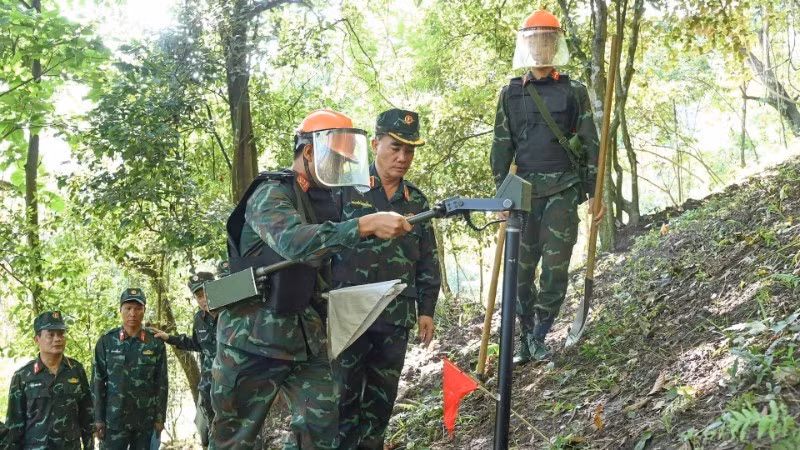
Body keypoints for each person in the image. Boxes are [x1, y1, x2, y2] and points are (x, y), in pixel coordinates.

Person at [212, 109, 413, 450]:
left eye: (344, 162)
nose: (340, 168)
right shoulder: (270, 193)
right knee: (235, 439)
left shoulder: (322, 201)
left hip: (304, 337)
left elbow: (322, 270)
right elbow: (295, 242)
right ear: (309, 152)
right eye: (335, 159)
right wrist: (365, 224)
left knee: (320, 428)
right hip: (251, 337)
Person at [490, 10, 606, 365]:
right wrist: (501, 198)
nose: (540, 47)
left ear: (555, 45)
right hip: (523, 195)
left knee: (556, 268)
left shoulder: (574, 91)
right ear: (526, 45)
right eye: (535, 40)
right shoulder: (510, 93)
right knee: (520, 272)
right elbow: (501, 147)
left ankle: (540, 334)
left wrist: (595, 194)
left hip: (563, 190)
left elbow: (591, 143)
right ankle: (525, 337)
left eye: (547, 40)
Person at [331, 108, 441, 449]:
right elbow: (322, 244)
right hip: (350, 312)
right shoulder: (345, 189)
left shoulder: (416, 200)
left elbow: (427, 258)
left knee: (381, 400)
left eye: (409, 151)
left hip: (395, 315)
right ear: (375, 144)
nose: (402, 158)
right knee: (342, 398)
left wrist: (426, 310)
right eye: (395, 148)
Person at [4, 311, 93, 449]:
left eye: (61, 334)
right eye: (50, 335)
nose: (57, 339)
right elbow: (14, 426)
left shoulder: (76, 370)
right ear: (37, 340)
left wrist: (89, 446)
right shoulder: (23, 376)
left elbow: (87, 416)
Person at [92, 288, 168, 449]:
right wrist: (98, 419)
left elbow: (161, 383)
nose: (132, 313)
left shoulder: (155, 342)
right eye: (128, 308)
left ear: (144, 310)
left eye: (138, 308)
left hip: (144, 420)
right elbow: (97, 383)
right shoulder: (106, 342)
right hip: (114, 420)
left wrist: (160, 418)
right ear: (120, 310)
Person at [151, 272, 217, 449]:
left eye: (207, 292)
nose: (204, 300)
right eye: (199, 296)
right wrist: (169, 338)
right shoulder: (199, 319)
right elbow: (196, 344)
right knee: (212, 432)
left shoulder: (233, 314)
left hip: (236, 386)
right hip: (210, 388)